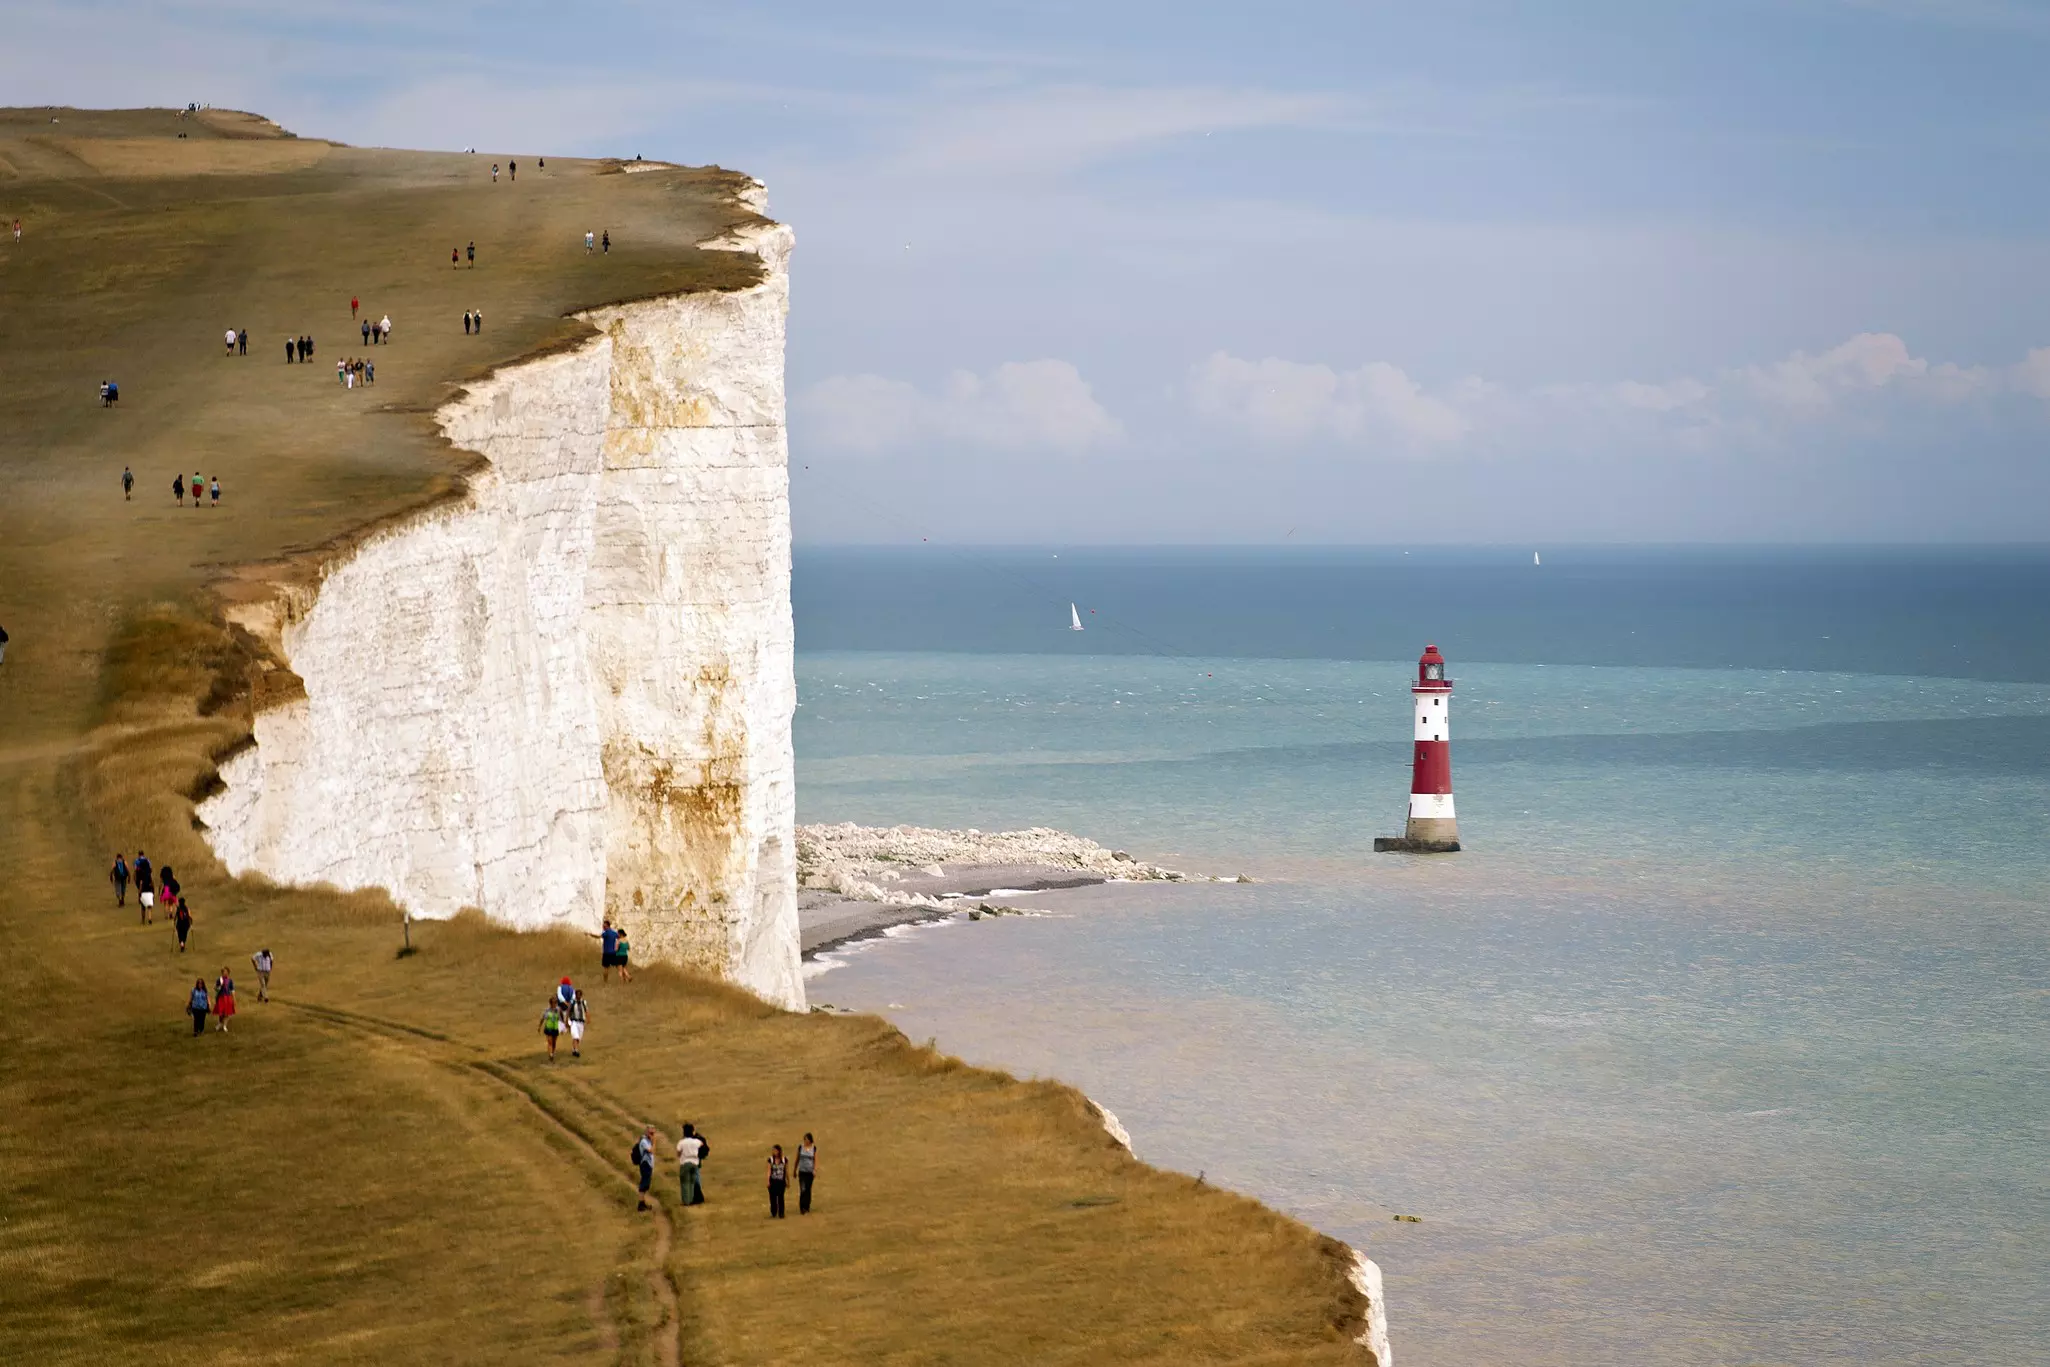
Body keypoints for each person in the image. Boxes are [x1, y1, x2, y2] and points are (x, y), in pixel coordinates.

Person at [676, 1124, 705, 1205]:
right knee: (692, 1182)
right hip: (694, 1163)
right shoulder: (696, 1142)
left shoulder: (681, 1142)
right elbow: (702, 1144)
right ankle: (692, 1199)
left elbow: (678, 1154)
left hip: (685, 1163)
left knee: (685, 1183)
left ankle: (686, 1201)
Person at [632, 1128, 656, 1211]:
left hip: (647, 1164)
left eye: (653, 1133)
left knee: (646, 1184)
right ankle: (640, 1204)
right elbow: (651, 1151)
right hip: (645, 1164)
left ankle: (642, 1203)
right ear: (647, 1132)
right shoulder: (644, 1141)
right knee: (644, 1184)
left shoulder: (647, 1141)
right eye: (651, 1133)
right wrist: (654, 1142)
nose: (652, 1135)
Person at [797, 1133, 818, 1214]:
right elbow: (797, 1159)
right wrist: (795, 1169)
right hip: (802, 1172)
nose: (805, 1141)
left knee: (808, 1190)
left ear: (810, 1140)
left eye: (807, 1139)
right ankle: (802, 1207)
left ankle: (807, 1206)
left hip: (810, 1173)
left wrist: (815, 1170)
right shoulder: (800, 1147)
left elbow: (815, 1160)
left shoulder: (814, 1148)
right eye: (804, 1139)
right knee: (803, 1189)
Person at [767, 1144, 789, 1219]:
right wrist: (768, 1181)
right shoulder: (771, 1160)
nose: (773, 1152)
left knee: (781, 1197)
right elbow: (769, 1171)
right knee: (772, 1198)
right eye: (773, 1150)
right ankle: (773, 1212)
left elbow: (786, 1171)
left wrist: (787, 1181)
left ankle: (781, 1213)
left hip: (781, 1182)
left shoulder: (784, 1160)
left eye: (775, 1150)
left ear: (779, 1151)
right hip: (773, 1181)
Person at [565, 987, 588, 1058]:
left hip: (581, 1022)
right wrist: (566, 1020)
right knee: (576, 1036)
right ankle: (576, 1050)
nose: (578, 996)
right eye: (577, 995)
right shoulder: (572, 1002)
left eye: (579, 995)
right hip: (574, 1021)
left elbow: (586, 1011)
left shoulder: (584, 1002)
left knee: (579, 1038)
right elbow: (568, 1011)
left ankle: (574, 1049)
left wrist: (588, 1018)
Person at [134, 851, 154, 923]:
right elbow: (152, 883)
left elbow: (141, 884)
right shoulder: (149, 874)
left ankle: (143, 920)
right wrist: (153, 891)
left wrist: (139, 893)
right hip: (149, 890)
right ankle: (149, 918)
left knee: (143, 907)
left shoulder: (141, 874)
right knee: (149, 906)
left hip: (143, 891)